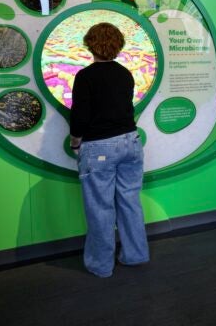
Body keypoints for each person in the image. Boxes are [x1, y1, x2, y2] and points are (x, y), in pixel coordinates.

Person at [70, 22, 149, 277]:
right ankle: (135, 255)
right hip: (131, 142)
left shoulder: (85, 76)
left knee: (100, 207)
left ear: (90, 44)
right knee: (130, 202)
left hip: (99, 147)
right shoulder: (125, 73)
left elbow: (80, 117)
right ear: (118, 45)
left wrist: (75, 142)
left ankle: (101, 265)